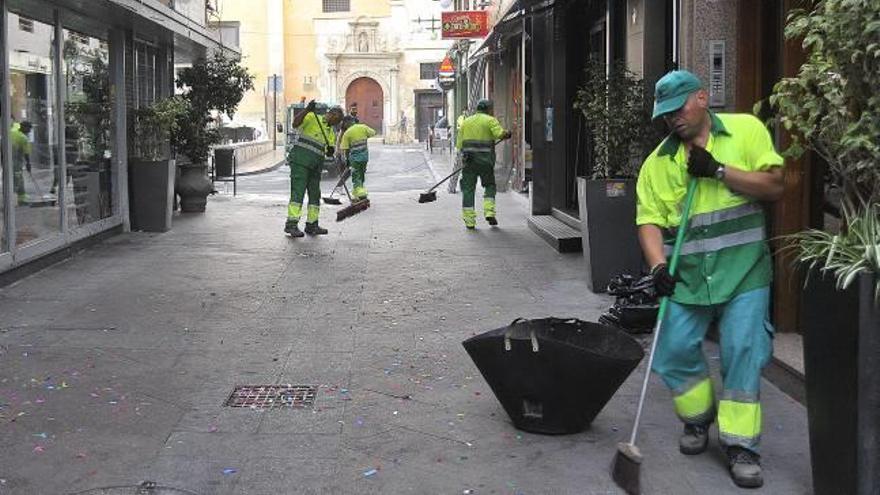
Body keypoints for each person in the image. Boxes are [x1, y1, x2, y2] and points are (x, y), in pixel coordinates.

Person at [636, 70, 785, 488]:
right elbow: (648, 220)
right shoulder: (658, 164)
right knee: (673, 349)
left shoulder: (746, 131)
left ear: (702, 97)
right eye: (665, 114)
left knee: (742, 348)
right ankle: (699, 419)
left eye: (679, 108)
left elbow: (775, 186)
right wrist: (657, 267)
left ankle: (741, 445)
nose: (673, 120)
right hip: (688, 277)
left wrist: (719, 171)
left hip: (744, 272)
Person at [285, 100, 344, 237]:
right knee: (298, 193)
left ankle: (312, 225)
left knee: (315, 195)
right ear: (330, 114)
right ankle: (291, 225)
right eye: (335, 118)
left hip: (316, 166)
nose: (335, 122)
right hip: (300, 161)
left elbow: (327, 149)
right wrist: (306, 110)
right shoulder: (312, 117)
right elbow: (295, 123)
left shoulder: (331, 133)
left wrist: (330, 151)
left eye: (338, 121)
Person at [455, 100, 511, 229]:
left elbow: (459, 145)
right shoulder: (490, 120)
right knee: (490, 185)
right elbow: (499, 134)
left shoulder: (466, 122)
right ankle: (489, 212)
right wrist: (507, 134)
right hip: (486, 162)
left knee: (468, 190)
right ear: (489, 109)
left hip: (469, 163)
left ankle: (470, 221)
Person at [338, 116, 377, 200]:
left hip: (355, 160)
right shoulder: (363, 127)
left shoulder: (347, 133)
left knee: (356, 176)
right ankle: (358, 193)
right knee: (361, 176)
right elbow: (373, 132)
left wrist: (347, 160)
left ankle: (360, 194)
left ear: (347, 123)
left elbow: (345, 149)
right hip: (365, 158)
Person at [11, 121, 33, 205]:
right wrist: (28, 164)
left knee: (18, 178)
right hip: (16, 162)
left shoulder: (14, 129)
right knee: (17, 179)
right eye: (29, 129)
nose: (30, 131)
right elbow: (26, 153)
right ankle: (18, 200)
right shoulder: (23, 138)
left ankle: (22, 196)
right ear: (24, 127)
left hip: (6, 160)